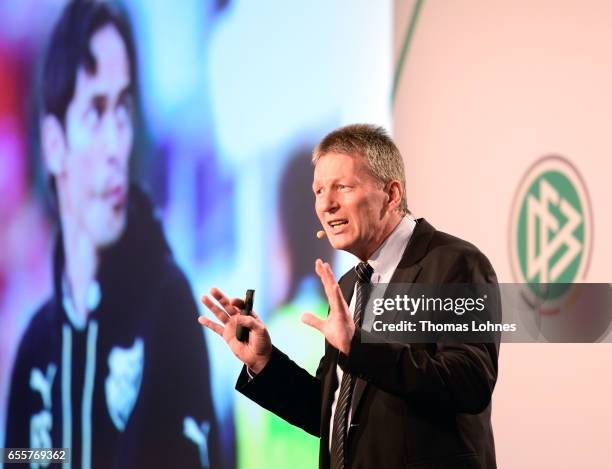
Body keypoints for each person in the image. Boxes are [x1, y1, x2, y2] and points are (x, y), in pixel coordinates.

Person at [199, 124, 499, 468]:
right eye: (318, 190)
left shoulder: (453, 264)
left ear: (391, 194)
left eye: (342, 187)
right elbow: (327, 415)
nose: (326, 204)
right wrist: (263, 362)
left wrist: (360, 348)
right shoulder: (347, 286)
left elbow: (469, 383)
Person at [5, 2, 217, 468]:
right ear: (54, 143)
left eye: (123, 107)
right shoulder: (35, 350)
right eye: (96, 111)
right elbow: (19, 457)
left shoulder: (168, 307)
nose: (116, 141)